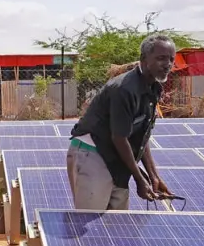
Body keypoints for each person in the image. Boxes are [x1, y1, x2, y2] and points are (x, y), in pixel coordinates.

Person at [66, 34, 174, 210]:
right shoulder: (124, 89)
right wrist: (139, 179)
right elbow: (119, 138)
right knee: (91, 223)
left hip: (117, 159)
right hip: (93, 153)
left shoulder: (153, 89)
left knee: (116, 226)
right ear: (144, 59)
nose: (168, 64)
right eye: (161, 58)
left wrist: (154, 176)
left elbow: (140, 137)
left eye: (171, 59)